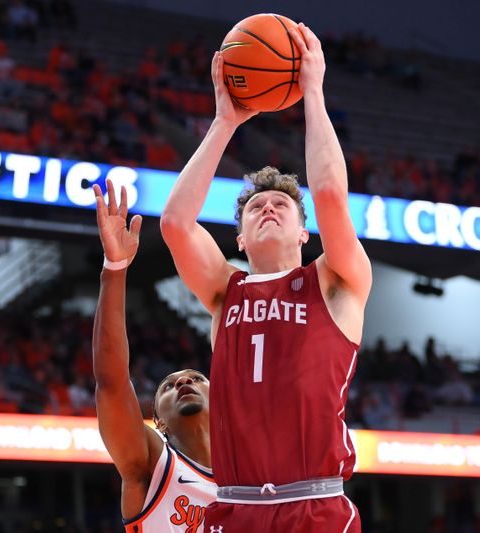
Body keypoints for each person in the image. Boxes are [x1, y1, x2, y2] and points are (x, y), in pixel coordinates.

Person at [160, 23, 371, 533]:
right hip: (235, 506)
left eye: (281, 205)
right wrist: (224, 122)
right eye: (257, 207)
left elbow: (330, 197)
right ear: (239, 239)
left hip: (315, 504)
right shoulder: (222, 292)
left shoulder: (337, 282)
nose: (269, 210)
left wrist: (314, 92)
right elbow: (174, 224)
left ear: (304, 234)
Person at [92, 180, 216, 532]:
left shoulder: (250, 479)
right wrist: (113, 271)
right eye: (168, 387)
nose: (183, 383)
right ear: (157, 422)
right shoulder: (150, 466)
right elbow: (112, 383)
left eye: (195, 378)